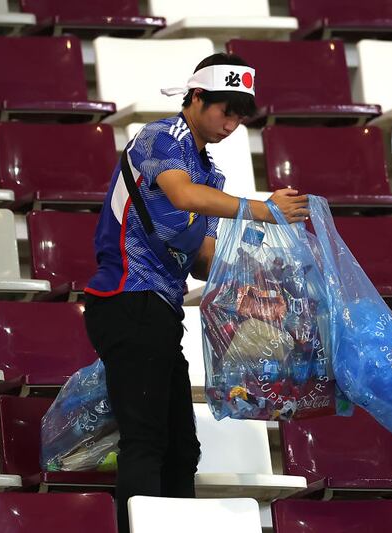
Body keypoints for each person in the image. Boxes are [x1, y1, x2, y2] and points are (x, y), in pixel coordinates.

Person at [83, 52, 309, 533]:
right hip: (127, 298)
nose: (231, 124)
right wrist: (262, 209)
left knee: (182, 448)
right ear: (197, 97)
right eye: (225, 110)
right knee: (145, 440)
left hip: (158, 308)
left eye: (240, 116)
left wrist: (261, 285)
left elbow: (200, 256)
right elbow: (183, 197)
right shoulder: (161, 137)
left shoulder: (210, 174)